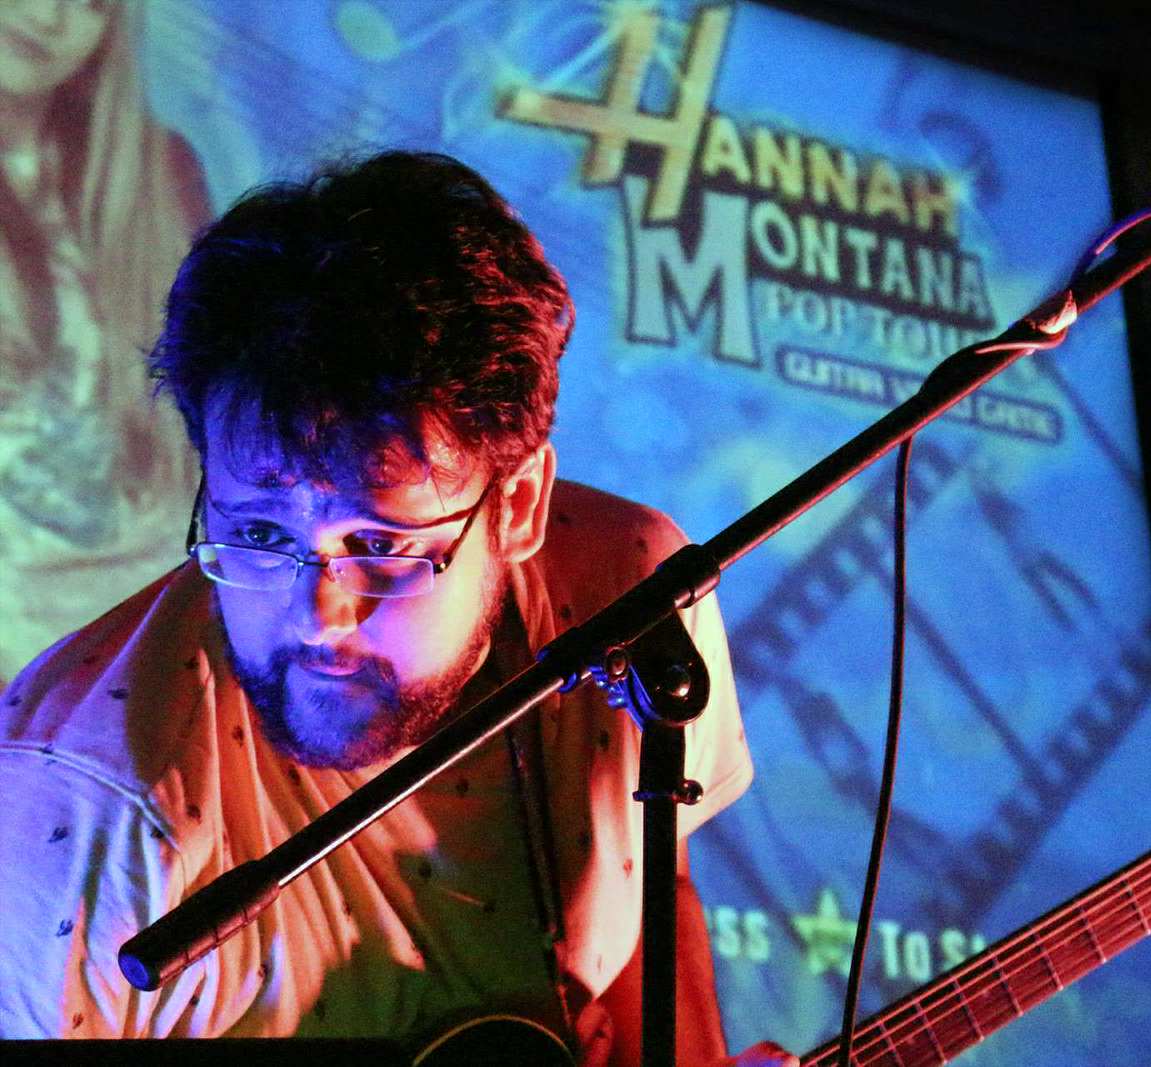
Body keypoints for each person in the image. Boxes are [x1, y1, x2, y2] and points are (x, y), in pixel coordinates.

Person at [0, 149, 794, 1067]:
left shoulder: (629, 594)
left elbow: (647, 882)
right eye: (256, 533)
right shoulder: (78, 817)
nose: (318, 616)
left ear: (520, 504)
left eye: (379, 545)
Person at [0, 0, 209, 685]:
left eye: (89, 2)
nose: (49, 17)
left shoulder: (159, 171)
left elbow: (215, 419)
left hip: (172, 642)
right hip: (21, 656)